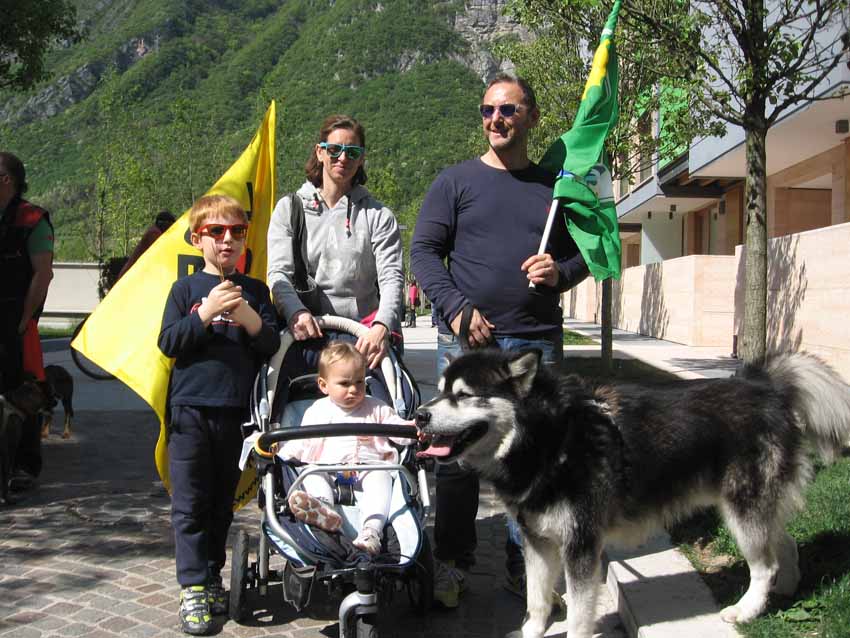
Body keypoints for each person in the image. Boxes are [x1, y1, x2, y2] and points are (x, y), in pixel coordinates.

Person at [410, 74, 590, 608]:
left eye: (508, 110)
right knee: (456, 459)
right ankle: (452, 562)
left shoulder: (556, 188)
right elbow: (424, 252)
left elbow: (585, 255)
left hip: (534, 344)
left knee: (533, 460)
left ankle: (526, 570)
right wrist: (457, 308)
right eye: (488, 110)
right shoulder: (455, 182)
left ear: (532, 117)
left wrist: (560, 273)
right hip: (466, 344)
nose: (496, 119)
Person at [158, 194, 279, 636]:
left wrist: (247, 316)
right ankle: (192, 586)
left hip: (235, 414)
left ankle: (211, 575)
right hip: (189, 411)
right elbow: (169, 342)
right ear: (197, 239)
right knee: (190, 504)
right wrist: (206, 313)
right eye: (216, 231)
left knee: (220, 503)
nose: (228, 240)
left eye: (237, 231)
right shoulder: (184, 291)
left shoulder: (256, 291)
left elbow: (270, 344)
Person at [266, 114, 404, 370]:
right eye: (334, 149)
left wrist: (382, 326)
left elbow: (391, 278)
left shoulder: (379, 215)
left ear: (361, 158)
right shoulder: (289, 209)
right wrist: (296, 312)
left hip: (363, 336)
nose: (343, 158)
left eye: (352, 152)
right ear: (320, 152)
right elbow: (278, 273)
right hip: (305, 333)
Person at [279, 341, 416, 555]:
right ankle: (322, 508)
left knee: (380, 481)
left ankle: (371, 532)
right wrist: (280, 453)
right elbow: (302, 442)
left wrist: (414, 430)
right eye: (344, 383)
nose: (354, 389)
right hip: (327, 468)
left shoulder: (376, 407)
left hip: (368, 467)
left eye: (359, 382)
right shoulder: (317, 411)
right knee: (311, 475)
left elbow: (397, 429)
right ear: (323, 385)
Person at [0, 152, 54, 488]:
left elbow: (42, 274)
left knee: (24, 391)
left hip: (16, 320)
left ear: (7, 179)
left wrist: (23, 320)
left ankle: (24, 466)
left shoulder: (33, 219)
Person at [116, 210, 176, 280]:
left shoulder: (155, 231)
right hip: (129, 277)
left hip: (134, 275)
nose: (171, 229)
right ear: (164, 224)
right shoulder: (154, 233)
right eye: (170, 226)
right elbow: (161, 254)